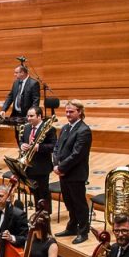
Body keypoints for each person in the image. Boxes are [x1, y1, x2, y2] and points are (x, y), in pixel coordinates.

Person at [53, 100, 92, 244]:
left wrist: (61, 168)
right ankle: (72, 227)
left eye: (71, 112)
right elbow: (57, 148)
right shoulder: (65, 128)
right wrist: (56, 165)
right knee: (69, 203)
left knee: (79, 204)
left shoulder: (84, 130)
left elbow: (77, 154)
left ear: (79, 112)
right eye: (67, 111)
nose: (68, 114)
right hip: (63, 173)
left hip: (75, 174)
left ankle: (83, 231)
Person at [18, 106, 56, 211]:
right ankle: (37, 213)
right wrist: (22, 145)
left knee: (43, 193)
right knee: (34, 192)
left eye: (31, 116)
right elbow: (21, 140)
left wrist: (39, 147)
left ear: (39, 116)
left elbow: (54, 146)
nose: (28, 118)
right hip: (29, 166)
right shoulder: (26, 128)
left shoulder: (49, 129)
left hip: (42, 167)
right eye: (28, 116)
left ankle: (45, 215)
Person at [0, 184, 29, 250]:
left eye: (1, 196)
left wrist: (11, 237)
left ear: (8, 197)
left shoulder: (19, 214)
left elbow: (25, 238)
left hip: (8, 252)